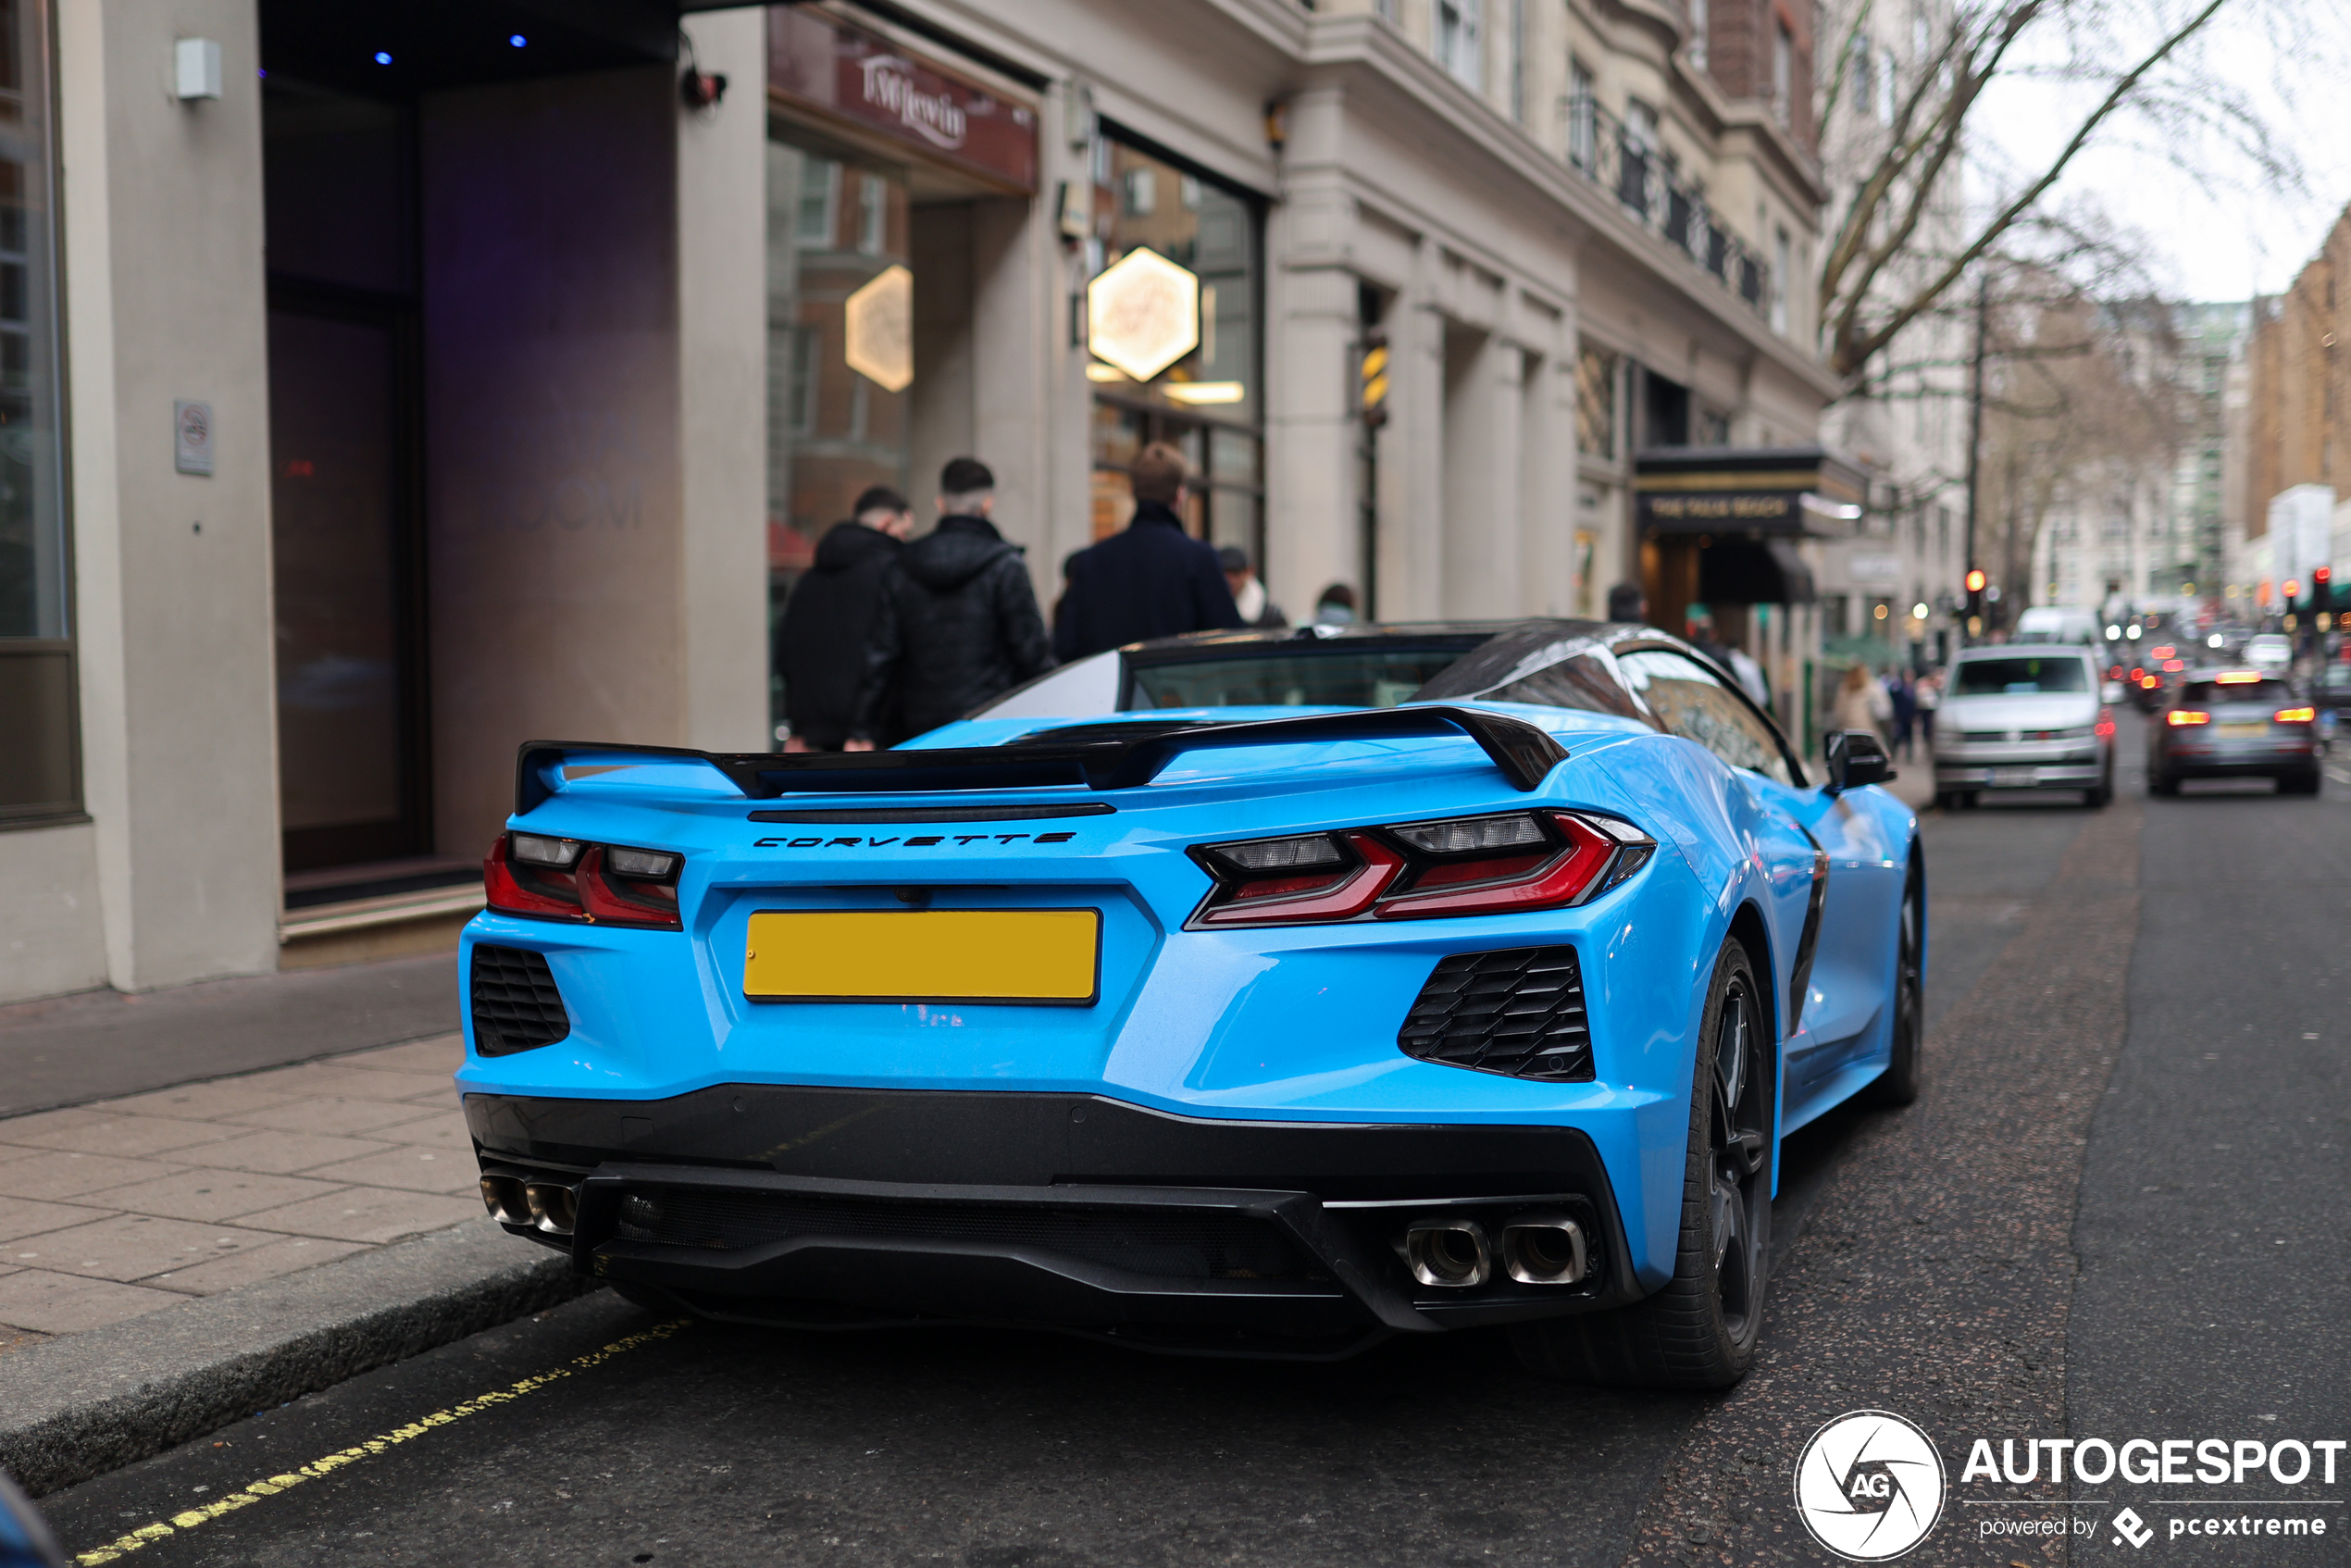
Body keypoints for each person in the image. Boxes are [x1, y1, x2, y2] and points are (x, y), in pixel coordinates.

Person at [847, 457, 1052, 748]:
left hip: (918, 732)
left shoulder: (902, 564)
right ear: (988, 504)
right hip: (991, 726)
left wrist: (862, 729)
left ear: (941, 503)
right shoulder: (1005, 564)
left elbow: (881, 655)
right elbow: (1031, 652)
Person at [1052, 442, 1244, 660]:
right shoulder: (1198, 559)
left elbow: (1066, 647)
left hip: (1108, 692)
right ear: (1180, 496)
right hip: (1176, 690)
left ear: (1132, 491)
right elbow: (1230, 643)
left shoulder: (1090, 561)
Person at [774, 485, 913, 752]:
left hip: (812, 737)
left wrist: (797, 724)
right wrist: (864, 728)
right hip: (874, 738)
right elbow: (888, 655)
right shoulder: (893, 573)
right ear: (886, 524)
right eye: (904, 532)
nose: (905, 541)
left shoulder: (808, 581)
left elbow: (787, 654)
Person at [1217, 545, 1288, 628]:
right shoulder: (1206, 611)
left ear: (1248, 572)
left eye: (1235, 573)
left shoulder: (1270, 616)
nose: (1230, 580)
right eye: (1224, 574)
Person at [1835, 663, 1892, 745]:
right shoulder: (1873, 687)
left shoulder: (1843, 688)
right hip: (1869, 735)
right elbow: (1883, 712)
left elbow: (1839, 715)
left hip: (1848, 735)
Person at [1914, 668, 1941, 752]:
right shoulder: (1923, 685)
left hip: (1933, 710)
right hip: (1925, 710)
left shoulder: (1936, 685)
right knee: (1927, 728)